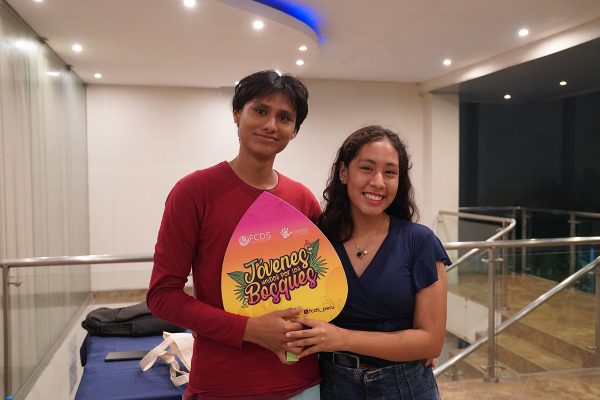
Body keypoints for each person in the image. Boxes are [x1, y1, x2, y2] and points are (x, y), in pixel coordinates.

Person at [147, 70, 321, 400]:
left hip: (305, 382)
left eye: (284, 117)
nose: (271, 124)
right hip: (224, 384)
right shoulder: (193, 192)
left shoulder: (303, 199)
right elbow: (163, 295)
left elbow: (328, 286)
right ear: (237, 114)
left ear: (294, 131)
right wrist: (249, 329)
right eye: (260, 110)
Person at [284, 125, 450, 399]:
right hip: (334, 385)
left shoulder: (419, 241)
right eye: (367, 168)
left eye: (390, 172)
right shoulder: (315, 241)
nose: (378, 182)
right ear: (343, 172)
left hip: (404, 386)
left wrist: (342, 338)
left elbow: (430, 342)